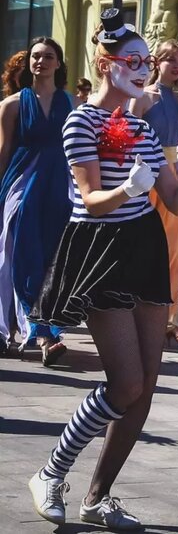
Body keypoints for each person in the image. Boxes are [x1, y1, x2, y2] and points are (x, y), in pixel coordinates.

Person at [27, 10, 178, 529]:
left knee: (146, 383)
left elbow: (175, 203)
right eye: (133, 60)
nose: (143, 68)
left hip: (144, 247)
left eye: (145, 61)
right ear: (107, 65)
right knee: (125, 382)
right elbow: (91, 199)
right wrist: (128, 189)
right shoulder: (79, 121)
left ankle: (97, 496)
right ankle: (52, 471)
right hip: (99, 248)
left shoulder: (142, 127)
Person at [0, 38, 73, 364]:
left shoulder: (72, 104)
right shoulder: (12, 105)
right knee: (12, 254)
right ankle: (6, 332)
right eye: (35, 56)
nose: (40, 61)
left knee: (53, 258)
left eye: (48, 56)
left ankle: (46, 333)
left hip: (58, 187)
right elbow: (3, 154)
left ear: (58, 63)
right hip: (21, 185)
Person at [132, 39, 178, 345]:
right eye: (170, 59)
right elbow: (130, 134)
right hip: (146, 174)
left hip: (173, 172)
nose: (176, 65)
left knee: (174, 250)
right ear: (156, 62)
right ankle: (138, 312)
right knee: (143, 247)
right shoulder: (143, 97)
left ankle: (173, 318)